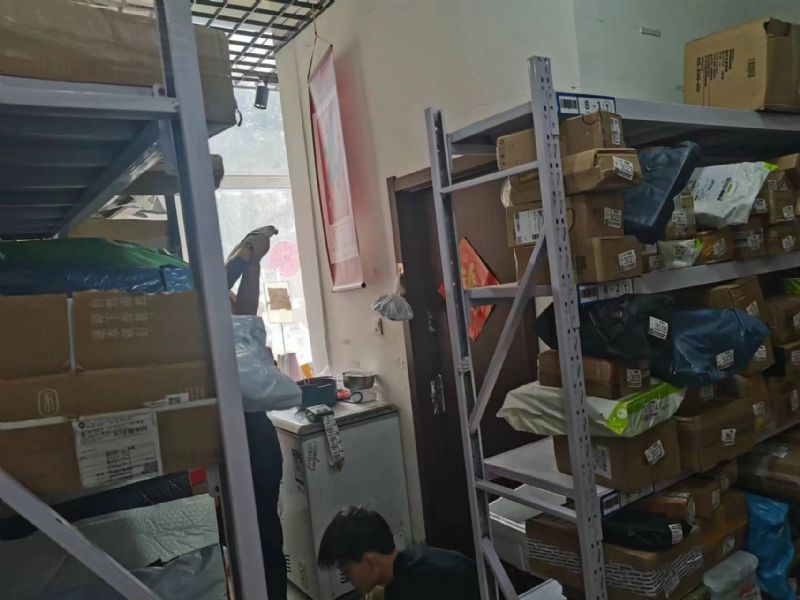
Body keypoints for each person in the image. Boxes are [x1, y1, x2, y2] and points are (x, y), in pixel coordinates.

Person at [225, 225, 287, 600]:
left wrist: (253, 262)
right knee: (250, 540)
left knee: (265, 538)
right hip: (238, 440)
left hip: (255, 439)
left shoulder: (235, 328)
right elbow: (217, 294)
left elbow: (245, 312)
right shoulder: (198, 306)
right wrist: (245, 257)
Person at [317, 506, 480, 600]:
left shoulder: (413, 588)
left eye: (346, 573)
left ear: (370, 562)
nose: (349, 581)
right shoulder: (412, 558)